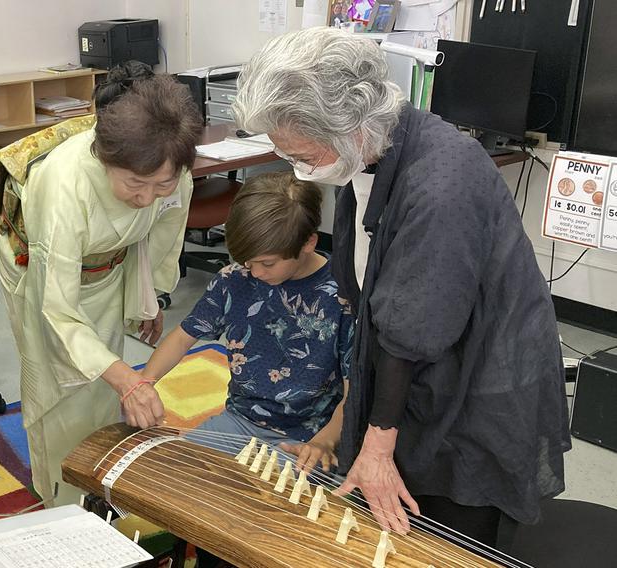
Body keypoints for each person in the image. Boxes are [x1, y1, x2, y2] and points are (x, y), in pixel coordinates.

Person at [233, 27, 570, 549]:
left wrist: (376, 445)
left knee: (448, 532)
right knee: (392, 515)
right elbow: (377, 302)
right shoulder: (369, 155)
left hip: (480, 376)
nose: (297, 167)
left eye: (302, 152)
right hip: (419, 363)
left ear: (352, 125)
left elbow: (411, 327)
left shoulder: (443, 180)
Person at [0, 71, 203, 506]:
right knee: (56, 389)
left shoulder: (171, 169)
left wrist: (151, 298)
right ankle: (59, 497)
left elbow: (163, 237)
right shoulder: (66, 182)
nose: (147, 198)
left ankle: (98, 483)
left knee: (102, 388)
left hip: (110, 269)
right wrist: (127, 380)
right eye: (135, 184)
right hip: (38, 272)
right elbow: (58, 306)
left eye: (161, 184)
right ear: (105, 159)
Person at [142, 172, 353, 473]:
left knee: (268, 509)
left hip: (309, 437)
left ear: (308, 242)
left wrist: (324, 442)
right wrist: (144, 383)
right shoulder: (234, 279)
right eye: (247, 262)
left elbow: (353, 393)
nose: (254, 273)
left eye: (266, 263)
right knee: (174, 475)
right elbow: (182, 338)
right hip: (240, 421)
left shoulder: (342, 295)